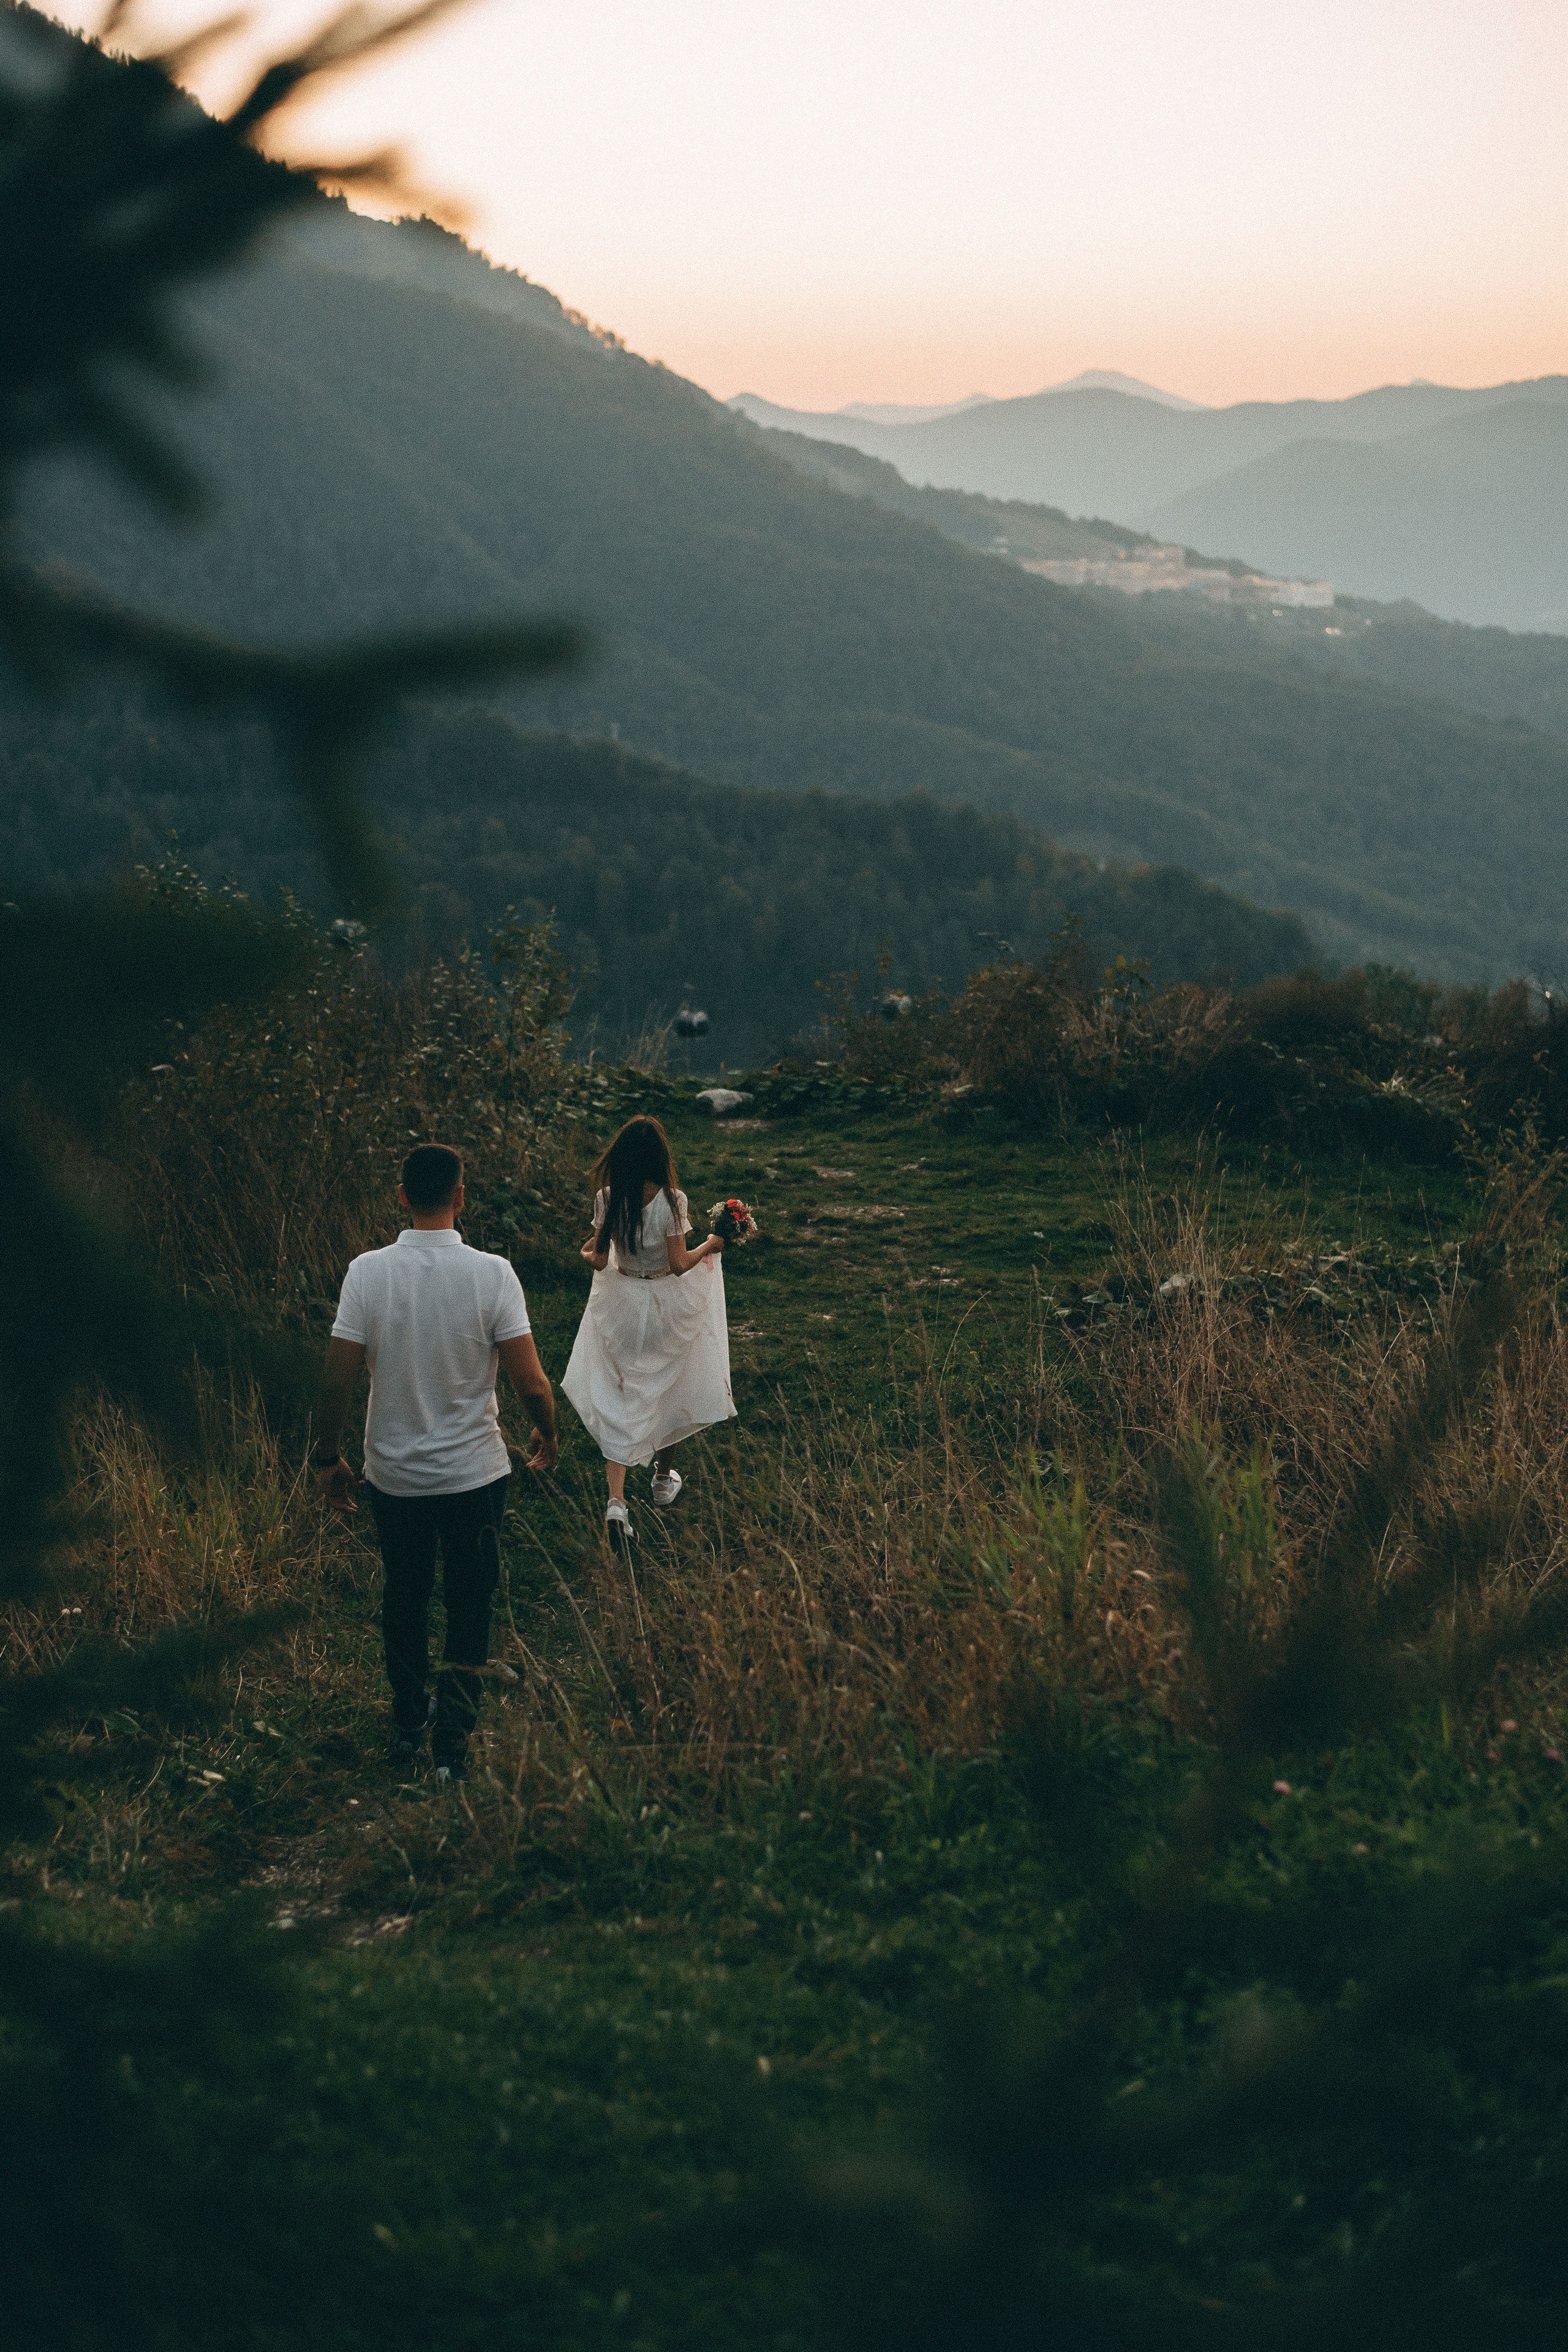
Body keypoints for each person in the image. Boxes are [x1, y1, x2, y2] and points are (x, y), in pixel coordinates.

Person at [311, 1142, 558, 1784]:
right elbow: (531, 1383)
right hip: (475, 1476)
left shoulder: (366, 1273)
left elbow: (336, 1379)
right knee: (470, 1603)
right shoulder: (493, 1274)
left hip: (393, 1478)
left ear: (401, 1197)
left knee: (406, 1593)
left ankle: (407, 1720)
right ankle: (452, 1747)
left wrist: (328, 1457)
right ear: (460, 1197)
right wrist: (548, 1431)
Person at [561, 1114, 735, 1547]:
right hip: (663, 1304)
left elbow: (600, 1259)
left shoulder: (608, 1197)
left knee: (621, 1392)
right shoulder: (673, 1200)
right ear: (660, 1156)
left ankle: (616, 1502)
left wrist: (585, 1253)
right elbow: (679, 1265)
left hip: (621, 1303)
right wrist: (712, 1244)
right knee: (669, 1384)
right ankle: (661, 1479)